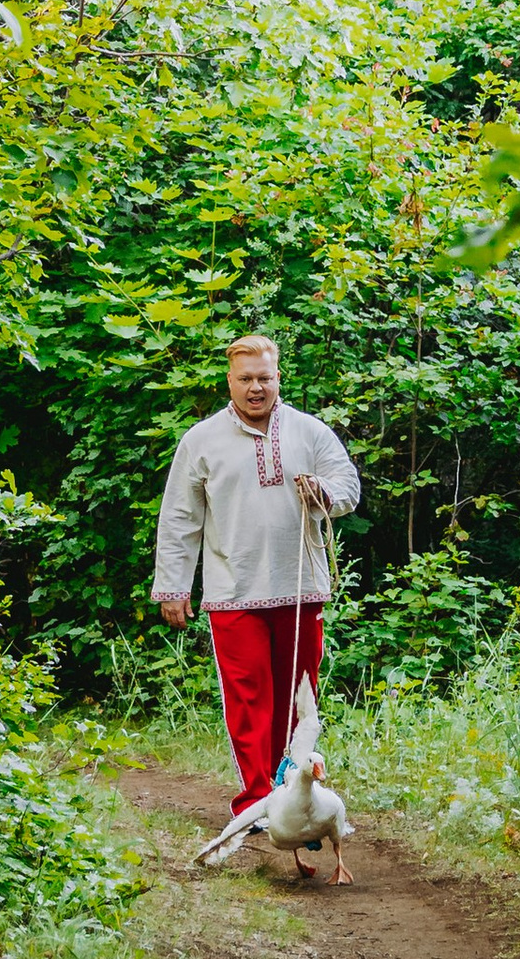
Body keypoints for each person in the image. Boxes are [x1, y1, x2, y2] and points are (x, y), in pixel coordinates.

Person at [152, 336, 363, 814]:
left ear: (278, 378)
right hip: (233, 591)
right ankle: (255, 800)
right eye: (245, 378)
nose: (255, 388)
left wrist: (323, 493)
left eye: (264, 378)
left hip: (300, 588)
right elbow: (180, 518)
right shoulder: (201, 440)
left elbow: (348, 486)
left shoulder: (309, 432)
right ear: (230, 381)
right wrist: (173, 587)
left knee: (298, 700)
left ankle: (290, 794)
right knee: (249, 701)